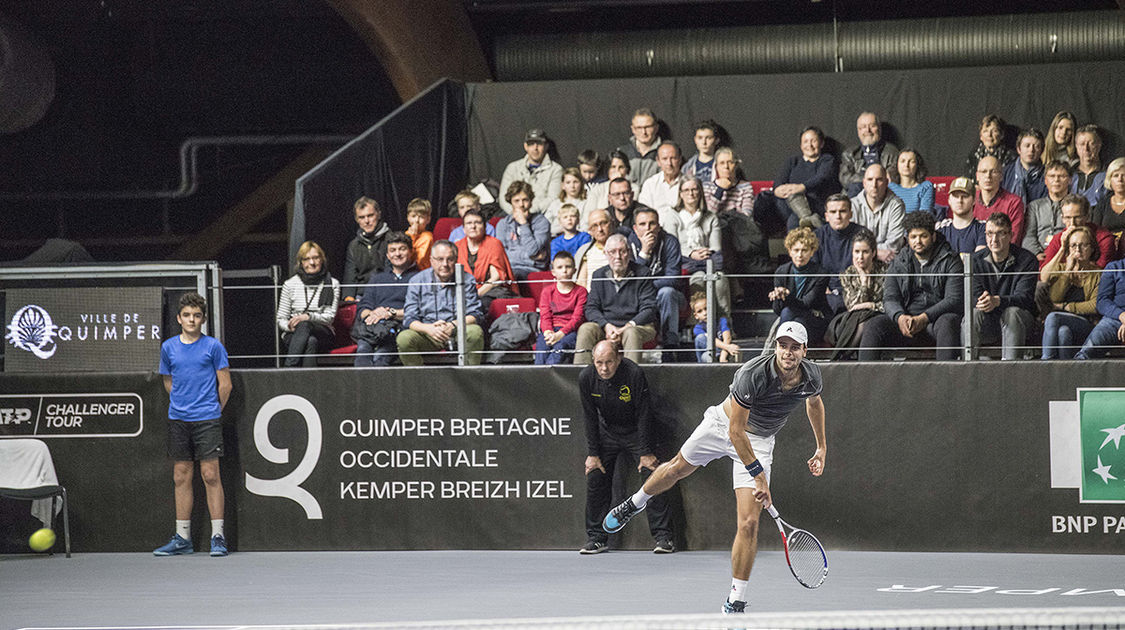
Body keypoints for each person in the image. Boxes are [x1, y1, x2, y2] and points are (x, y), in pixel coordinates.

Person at [602, 320, 826, 614]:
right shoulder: (753, 374)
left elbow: (814, 404)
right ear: (776, 347)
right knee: (676, 468)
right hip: (724, 425)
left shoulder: (811, 376)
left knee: (749, 522)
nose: (787, 352)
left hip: (760, 441)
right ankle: (635, 502)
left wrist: (821, 446)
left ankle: (736, 598)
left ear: (804, 351)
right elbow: (736, 433)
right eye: (783, 346)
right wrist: (759, 476)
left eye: (794, 347)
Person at [153, 292, 233, 557]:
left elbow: (226, 385)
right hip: (178, 419)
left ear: (203, 319)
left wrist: (211, 410)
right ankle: (182, 538)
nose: (191, 320)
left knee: (211, 475)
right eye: (187, 315)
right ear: (179, 318)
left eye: (196, 316)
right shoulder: (168, 348)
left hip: (207, 419)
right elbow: (168, 382)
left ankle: (218, 537)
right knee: (181, 475)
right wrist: (183, 404)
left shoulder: (213, 347)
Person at [580, 340, 674, 554]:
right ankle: (596, 538)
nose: (604, 368)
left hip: (636, 431)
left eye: (609, 362)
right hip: (607, 433)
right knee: (595, 475)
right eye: (599, 363)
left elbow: (644, 413)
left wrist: (645, 451)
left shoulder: (633, 373)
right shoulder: (586, 378)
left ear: (619, 358)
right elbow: (589, 417)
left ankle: (663, 537)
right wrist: (593, 454)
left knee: (654, 476)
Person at [859, 211, 963, 361]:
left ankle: (946, 382)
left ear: (933, 236)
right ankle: (864, 381)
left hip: (935, 322)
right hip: (906, 322)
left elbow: (953, 299)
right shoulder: (899, 261)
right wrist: (900, 317)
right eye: (913, 237)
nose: (918, 241)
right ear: (908, 238)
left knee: (949, 322)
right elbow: (889, 298)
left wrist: (924, 318)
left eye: (923, 236)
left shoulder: (950, 259)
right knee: (874, 324)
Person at [397, 240, 485, 365]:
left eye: (450, 259)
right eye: (440, 259)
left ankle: (471, 379)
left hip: (457, 331)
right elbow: (409, 318)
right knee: (404, 338)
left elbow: (476, 314)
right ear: (432, 260)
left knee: (475, 332)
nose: (445, 264)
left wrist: (452, 325)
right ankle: (418, 381)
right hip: (427, 333)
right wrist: (429, 329)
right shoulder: (417, 280)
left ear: (456, 260)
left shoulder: (467, 279)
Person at [574, 234, 658, 364]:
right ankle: (582, 380)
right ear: (606, 254)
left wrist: (628, 326)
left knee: (631, 333)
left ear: (629, 253)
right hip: (607, 326)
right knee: (586, 329)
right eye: (612, 252)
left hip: (638, 326)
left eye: (622, 251)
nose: (617, 257)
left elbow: (649, 308)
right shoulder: (599, 275)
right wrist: (606, 326)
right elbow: (591, 308)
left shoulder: (643, 273)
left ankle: (631, 382)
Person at [971, 212, 1039, 360]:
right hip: (988, 320)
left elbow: (1025, 298)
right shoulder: (974, 260)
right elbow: (972, 296)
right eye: (989, 233)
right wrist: (984, 301)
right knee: (974, 313)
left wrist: (998, 301)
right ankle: (967, 367)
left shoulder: (1028, 260)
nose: (994, 239)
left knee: (1012, 312)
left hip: (1021, 322)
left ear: (1010, 235)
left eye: (1000, 233)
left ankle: (1010, 369)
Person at [663, 176, 731, 316]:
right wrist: (691, 253)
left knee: (720, 279)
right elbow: (671, 247)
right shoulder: (672, 216)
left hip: (709, 262)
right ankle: (700, 325)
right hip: (684, 263)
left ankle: (725, 325)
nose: (691, 193)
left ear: (700, 192)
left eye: (694, 189)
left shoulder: (711, 217)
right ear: (680, 194)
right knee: (697, 279)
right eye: (686, 190)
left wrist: (702, 256)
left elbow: (715, 249)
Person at [704, 146, 772, 279]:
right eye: (722, 163)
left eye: (730, 162)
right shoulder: (707, 186)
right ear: (716, 166)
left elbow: (746, 213)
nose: (726, 167)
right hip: (719, 229)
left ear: (736, 165)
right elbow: (709, 214)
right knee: (722, 226)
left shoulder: (744, 186)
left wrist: (728, 215)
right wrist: (720, 190)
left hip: (741, 229)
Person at [628, 207, 686, 360]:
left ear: (659, 226)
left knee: (666, 292)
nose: (648, 228)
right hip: (638, 295)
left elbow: (674, 279)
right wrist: (644, 253)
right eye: (642, 224)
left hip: (670, 296)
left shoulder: (670, 241)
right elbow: (631, 281)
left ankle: (670, 345)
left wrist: (646, 285)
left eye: (652, 223)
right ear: (635, 228)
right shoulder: (629, 243)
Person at [353, 232, 419, 367]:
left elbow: (419, 311)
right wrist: (374, 314)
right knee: (362, 355)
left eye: (402, 249)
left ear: (411, 252)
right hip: (373, 328)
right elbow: (363, 307)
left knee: (380, 359)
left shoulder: (419, 278)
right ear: (388, 255)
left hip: (399, 329)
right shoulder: (377, 279)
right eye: (393, 250)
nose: (397, 254)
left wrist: (391, 313)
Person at [1039, 226, 1102, 360]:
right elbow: (1053, 297)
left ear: (1091, 249)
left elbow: (1095, 305)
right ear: (1068, 249)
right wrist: (1067, 272)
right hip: (1061, 327)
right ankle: (1065, 376)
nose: (1077, 249)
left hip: (1086, 324)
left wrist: (1065, 306)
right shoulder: (1061, 269)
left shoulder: (1098, 273)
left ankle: (1045, 365)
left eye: (1083, 245)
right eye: (1073, 245)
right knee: (1063, 333)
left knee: (1053, 317)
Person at [759, 126, 839, 230]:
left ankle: (806, 219)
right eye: (805, 141)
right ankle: (807, 218)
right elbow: (778, 182)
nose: (809, 145)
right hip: (788, 205)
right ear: (801, 145)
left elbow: (821, 179)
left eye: (813, 141)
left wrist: (801, 187)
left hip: (814, 203)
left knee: (794, 220)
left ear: (821, 143)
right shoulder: (792, 161)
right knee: (767, 198)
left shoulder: (827, 160)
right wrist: (779, 190)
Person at [276, 241, 341, 367]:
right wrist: (291, 327)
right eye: (307, 259)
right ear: (301, 262)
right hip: (294, 333)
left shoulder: (332, 284)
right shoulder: (290, 284)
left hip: (323, 331)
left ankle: (288, 368)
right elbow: (280, 319)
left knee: (305, 324)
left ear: (322, 260)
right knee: (310, 341)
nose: (312, 263)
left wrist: (308, 318)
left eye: (316, 258)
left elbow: (329, 317)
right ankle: (309, 384)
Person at [825, 229, 886, 360]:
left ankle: (838, 359)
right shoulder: (848, 274)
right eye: (856, 252)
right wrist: (864, 282)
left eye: (865, 252)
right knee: (862, 318)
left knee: (866, 321)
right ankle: (842, 360)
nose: (860, 257)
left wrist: (871, 305)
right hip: (849, 321)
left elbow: (888, 304)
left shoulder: (885, 271)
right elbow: (853, 306)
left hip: (876, 320)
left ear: (873, 253)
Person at [770, 227, 830, 345]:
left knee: (792, 317)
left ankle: (782, 347)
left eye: (804, 250)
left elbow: (807, 303)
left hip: (815, 318)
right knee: (789, 314)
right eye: (796, 250)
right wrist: (778, 297)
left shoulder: (821, 273)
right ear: (789, 251)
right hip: (791, 318)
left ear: (812, 252)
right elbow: (777, 310)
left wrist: (787, 295)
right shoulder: (781, 271)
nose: (800, 255)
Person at [812, 193, 866, 314]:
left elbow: (868, 269)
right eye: (833, 212)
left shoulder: (863, 234)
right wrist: (823, 289)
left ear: (850, 214)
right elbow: (812, 270)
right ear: (826, 216)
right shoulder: (817, 237)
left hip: (855, 291)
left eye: (842, 211)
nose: (838, 216)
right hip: (825, 291)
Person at [455, 208, 517, 314]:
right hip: (464, 291)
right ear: (464, 228)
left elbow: (496, 278)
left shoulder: (494, 243)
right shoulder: (457, 247)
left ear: (484, 226)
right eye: (469, 223)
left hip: (490, 291)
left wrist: (475, 295)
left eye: (477, 223)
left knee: (482, 305)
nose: (473, 226)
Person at [1040, 194, 1118, 270]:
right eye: (1067, 218)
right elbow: (1043, 273)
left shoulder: (1104, 238)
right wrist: (1062, 249)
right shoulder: (1058, 239)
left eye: (1077, 217)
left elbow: (1101, 271)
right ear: (1062, 219)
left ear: (1087, 216)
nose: (1072, 223)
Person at [536, 251, 587, 365]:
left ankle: (548, 378)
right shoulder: (547, 291)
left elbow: (577, 318)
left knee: (560, 348)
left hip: (570, 332)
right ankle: (537, 378)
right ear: (553, 272)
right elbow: (545, 316)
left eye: (568, 267)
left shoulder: (581, 291)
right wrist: (548, 332)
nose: (564, 270)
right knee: (542, 348)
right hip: (550, 330)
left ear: (575, 270)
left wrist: (560, 334)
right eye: (560, 267)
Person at [498, 128, 563, 215]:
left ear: (546, 146)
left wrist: (529, 212)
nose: (535, 148)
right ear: (525, 146)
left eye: (539, 144)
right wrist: (514, 213)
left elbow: (553, 198)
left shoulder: (556, 170)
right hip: (513, 215)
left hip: (542, 216)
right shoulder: (512, 168)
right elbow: (503, 197)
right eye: (531, 144)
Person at [495, 181, 551, 279]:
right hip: (509, 268)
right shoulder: (503, 224)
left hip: (531, 269)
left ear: (531, 201)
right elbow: (500, 255)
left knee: (512, 276)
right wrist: (530, 258)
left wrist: (523, 224)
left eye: (525, 200)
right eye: (516, 201)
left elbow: (532, 251)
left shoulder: (541, 222)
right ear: (510, 202)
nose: (521, 204)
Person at [850, 163, 905, 263]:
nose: (874, 185)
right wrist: (875, 253)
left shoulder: (896, 205)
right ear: (864, 183)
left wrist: (866, 252)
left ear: (887, 182)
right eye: (870, 180)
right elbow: (848, 243)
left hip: (887, 263)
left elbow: (895, 244)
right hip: (858, 262)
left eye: (879, 180)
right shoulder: (852, 205)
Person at [1074, 256, 1125, 360]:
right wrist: (1121, 315)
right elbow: (1102, 302)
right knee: (1085, 354)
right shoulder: (1114, 267)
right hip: (1114, 318)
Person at [839, 111, 898, 198]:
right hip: (853, 199)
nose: (868, 130)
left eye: (872, 126)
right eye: (863, 127)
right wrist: (871, 177)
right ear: (858, 131)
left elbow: (892, 179)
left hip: (883, 197)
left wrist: (861, 177)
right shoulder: (850, 153)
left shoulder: (891, 151)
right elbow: (845, 179)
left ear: (879, 129)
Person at [1023, 161, 1072, 261]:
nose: (1056, 180)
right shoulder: (1035, 206)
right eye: (1052, 176)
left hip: (1066, 256)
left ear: (1070, 180)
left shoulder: (1075, 206)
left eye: (1061, 176)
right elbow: (1028, 236)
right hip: (1039, 257)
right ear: (1045, 180)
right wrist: (1037, 253)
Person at [343, 196, 390, 301]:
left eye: (370, 215)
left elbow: (392, 274)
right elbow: (350, 278)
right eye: (362, 217)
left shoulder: (390, 240)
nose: (367, 221)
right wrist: (350, 301)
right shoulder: (354, 245)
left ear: (378, 214)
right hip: (361, 297)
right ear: (356, 219)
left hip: (385, 295)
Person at [973, 156, 1026, 245]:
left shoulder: (1013, 203)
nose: (988, 176)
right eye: (984, 172)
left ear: (1001, 176)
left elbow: (1013, 240)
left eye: (993, 172)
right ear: (977, 176)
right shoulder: (969, 200)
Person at [583, 150, 633, 228]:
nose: (617, 171)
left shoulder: (634, 188)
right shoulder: (597, 190)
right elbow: (587, 218)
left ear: (627, 169)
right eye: (613, 167)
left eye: (621, 167)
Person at [936, 177, 987, 255]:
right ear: (949, 200)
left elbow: (978, 262)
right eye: (956, 196)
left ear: (974, 200)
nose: (960, 201)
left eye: (965, 196)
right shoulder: (940, 229)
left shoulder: (984, 228)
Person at [617, 107, 663, 185]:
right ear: (633, 129)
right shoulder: (622, 152)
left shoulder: (665, 153)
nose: (643, 132)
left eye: (647, 127)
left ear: (656, 128)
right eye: (639, 128)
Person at [690, 292, 740, 363]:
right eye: (700, 311)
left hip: (723, 351)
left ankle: (719, 357)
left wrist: (723, 354)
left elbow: (727, 338)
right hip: (710, 352)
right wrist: (728, 347)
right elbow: (709, 340)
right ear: (696, 315)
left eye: (706, 308)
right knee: (700, 340)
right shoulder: (698, 328)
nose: (705, 313)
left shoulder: (722, 320)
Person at [1002, 128, 1047, 204]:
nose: (1031, 150)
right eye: (1027, 146)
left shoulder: (1047, 175)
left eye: (1036, 146)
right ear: (1019, 149)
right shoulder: (1006, 173)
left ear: (1042, 151)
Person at [638, 142, 684, 214]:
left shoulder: (689, 183)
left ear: (680, 160)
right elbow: (643, 212)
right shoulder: (650, 184)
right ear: (658, 161)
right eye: (664, 159)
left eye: (673, 158)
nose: (669, 163)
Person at [887, 148, 935, 216]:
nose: (906, 165)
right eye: (902, 161)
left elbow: (924, 216)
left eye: (911, 161)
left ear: (917, 165)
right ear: (897, 164)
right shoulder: (889, 187)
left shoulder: (926, 187)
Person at [575, 208, 613, 289]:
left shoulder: (624, 247)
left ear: (611, 223)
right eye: (594, 226)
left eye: (603, 223)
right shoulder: (585, 251)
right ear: (590, 231)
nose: (600, 229)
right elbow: (581, 283)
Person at [1070, 125, 1106, 207]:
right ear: (1076, 146)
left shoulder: (1109, 175)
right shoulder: (1068, 174)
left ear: (1099, 145)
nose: (1086, 149)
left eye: (1091, 144)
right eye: (1082, 144)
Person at [546, 167, 587, 235]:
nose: (572, 186)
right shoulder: (555, 204)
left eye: (575, 182)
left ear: (581, 184)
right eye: (568, 182)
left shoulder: (585, 203)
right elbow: (545, 225)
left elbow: (585, 226)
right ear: (563, 185)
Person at [1090, 157, 1125, 235]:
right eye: (1116, 176)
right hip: (1106, 245)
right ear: (1110, 180)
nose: (1120, 179)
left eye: (1124, 175)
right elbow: (1096, 231)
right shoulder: (1102, 204)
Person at [405, 198, 433, 270]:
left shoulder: (427, 237)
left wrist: (413, 238)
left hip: (420, 272)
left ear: (428, 219)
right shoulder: (405, 234)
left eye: (421, 217)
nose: (416, 220)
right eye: (413, 216)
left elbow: (419, 261)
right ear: (408, 217)